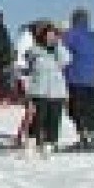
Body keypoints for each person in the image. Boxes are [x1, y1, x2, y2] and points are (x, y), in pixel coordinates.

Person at [62, 8, 94, 151]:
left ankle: (85, 136)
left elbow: (57, 48)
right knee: (90, 109)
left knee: (75, 109)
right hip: (92, 79)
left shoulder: (71, 35)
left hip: (74, 77)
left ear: (74, 19)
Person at [23, 21, 70, 155]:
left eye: (53, 35)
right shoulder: (35, 51)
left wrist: (58, 45)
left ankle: (50, 143)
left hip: (56, 92)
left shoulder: (59, 51)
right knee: (38, 119)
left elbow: (66, 61)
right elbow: (29, 63)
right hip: (39, 91)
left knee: (54, 119)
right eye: (47, 35)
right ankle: (33, 142)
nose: (50, 38)